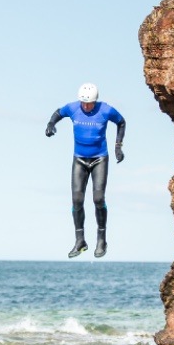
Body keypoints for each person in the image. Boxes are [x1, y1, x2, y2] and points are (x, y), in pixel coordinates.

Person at [45, 83, 125, 258]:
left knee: (98, 199)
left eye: (89, 104)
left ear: (95, 101)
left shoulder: (106, 110)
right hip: (79, 159)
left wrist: (118, 146)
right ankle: (80, 241)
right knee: (77, 200)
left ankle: (101, 239)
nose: (86, 106)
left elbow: (121, 122)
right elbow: (58, 113)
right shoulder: (73, 108)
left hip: (100, 159)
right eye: (83, 103)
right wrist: (51, 124)